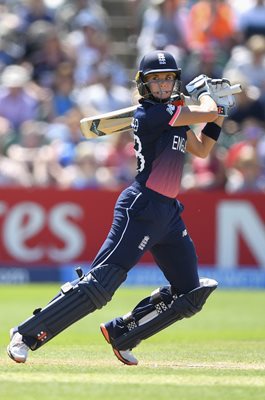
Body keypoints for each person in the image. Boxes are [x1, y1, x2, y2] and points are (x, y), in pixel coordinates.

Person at [7, 50, 229, 366]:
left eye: (168, 79)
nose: (164, 84)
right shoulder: (149, 115)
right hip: (141, 206)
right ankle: (25, 334)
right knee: (101, 285)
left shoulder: (176, 115)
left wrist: (219, 111)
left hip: (167, 213)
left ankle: (123, 332)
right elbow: (204, 112)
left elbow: (204, 148)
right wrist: (212, 100)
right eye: (156, 80)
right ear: (145, 85)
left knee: (189, 294)